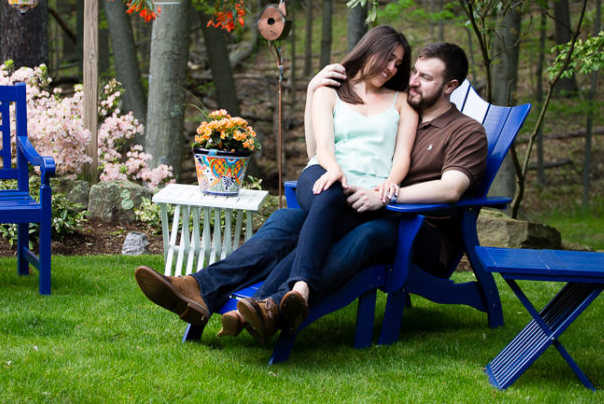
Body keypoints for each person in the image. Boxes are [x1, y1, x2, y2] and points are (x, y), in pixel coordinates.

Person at [134, 42, 486, 343]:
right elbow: (319, 149)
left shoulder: (465, 131)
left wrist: (386, 196)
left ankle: (270, 301)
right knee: (289, 218)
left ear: (450, 85)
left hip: (420, 232)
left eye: (426, 77)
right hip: (366, 207)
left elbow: (452, 188)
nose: (412, 79)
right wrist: (313, 93)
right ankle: (203, 288)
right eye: (415, 72)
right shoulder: (398, 112)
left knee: (365, 233)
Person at [236, 26, 419, 336]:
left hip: (367, 194)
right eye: (388, 58)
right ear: (369, 48)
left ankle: (256, 307)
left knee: (311, 239)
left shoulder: (402, 102)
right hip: (326, 179)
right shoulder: (332, 89)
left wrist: (390, 183)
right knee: (324, 205)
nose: (391, 69)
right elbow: (322, 147)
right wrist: (334, 171)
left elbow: (403, 157)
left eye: (398, 64)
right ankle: (298, 291)